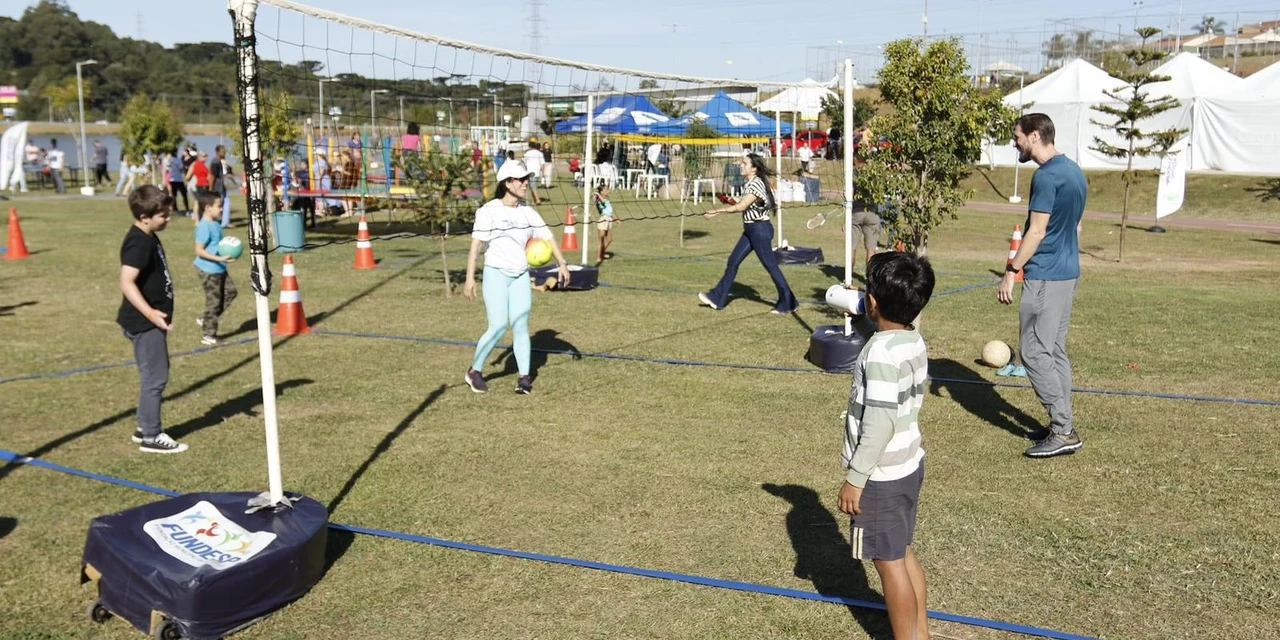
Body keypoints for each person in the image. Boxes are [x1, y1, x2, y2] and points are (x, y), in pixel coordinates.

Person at [836, 251, 935, 640]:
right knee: (902, 552)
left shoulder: (878, 352)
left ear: (873, 302)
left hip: (880, 476)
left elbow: (879, 421)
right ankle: (920, 633)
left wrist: (855, 478)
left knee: (888, 563)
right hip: (908, 464)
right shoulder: (910, 338)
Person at [999, 113, 1088, 459]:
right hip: (1068, 273)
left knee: (1034, 351)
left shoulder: (1047, 176)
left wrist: (1012, 270)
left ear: (1035, 136)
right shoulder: (1074, 171)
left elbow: (1036, 231)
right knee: (1053, 350)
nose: (1015, 143)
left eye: (1018, 137)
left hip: (1047, 275)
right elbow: (1076, 226)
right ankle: (1061, 425)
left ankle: (1063, 430)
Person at [462, 161, 569, 396]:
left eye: (527, 178)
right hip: (496, 274)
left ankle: (524, 377)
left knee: (521, 325)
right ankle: (474, 371)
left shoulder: (528, 212)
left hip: (520, 275)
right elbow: (476, 246)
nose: (526, 183)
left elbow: (548, 237)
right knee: (499, 325)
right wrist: (470, 279)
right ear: (507, 183)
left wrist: (562, 264)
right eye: (521, 179)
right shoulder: (488, 211)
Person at [117, 185, 187, 454]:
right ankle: (151, 436)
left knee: (154, 374)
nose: (168, 219)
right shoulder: (138, 242)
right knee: (156, 377)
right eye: (163, 216)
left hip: (151, 320)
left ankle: (143, 426)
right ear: (144, 217)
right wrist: (150, 313)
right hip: (145, 323)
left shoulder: (148, 235)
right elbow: (126, 282)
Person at [697, 153, 799, 315]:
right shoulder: (751, 183)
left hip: (759, 230)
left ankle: (789, 301)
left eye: (744, 163)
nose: (741, 165)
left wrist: (717, 211)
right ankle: (717, 298)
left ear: (754, 168)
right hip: (751, 230)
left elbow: (742, 207)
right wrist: (730, 200)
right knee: (733, 261)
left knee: (770, 266)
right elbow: (744, 203)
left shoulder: (756, 184)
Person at [191, 192, 238, 346]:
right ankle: (209, 335)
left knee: (231, 292)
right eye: (219, 206)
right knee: (214, 301)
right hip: (209, 269)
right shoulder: (204, 227)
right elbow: (199, 251)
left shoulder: (216, 224)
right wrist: (219, 259)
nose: (222, 209)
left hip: (219, 267)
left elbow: (219, 244)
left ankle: (206, 318)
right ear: (208, 208)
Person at [594, 184, 618, 264]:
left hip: (609, 220)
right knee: (601, 241)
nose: (608, 191)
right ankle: (598, 257)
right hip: (603, 221)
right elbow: (602, 201)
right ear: (602, 192)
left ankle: (601, 253)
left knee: (609, 240)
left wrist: (616, 220)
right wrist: (597, 194)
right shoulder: (600, 200)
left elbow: (609, 212)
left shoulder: (606, 200)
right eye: (606, 190)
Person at [167, 148, 190, 215]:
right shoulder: (178, 160)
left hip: (172, 179)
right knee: (184, 194)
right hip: (179, 179)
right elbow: (181, 169)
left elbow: (167, 169)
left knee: (174, 195)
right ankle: (187, 208)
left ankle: (175, 209)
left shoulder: (169, 160)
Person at [522, 141, 544, 205]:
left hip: (530, 172)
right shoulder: (540, 153)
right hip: (538, 172)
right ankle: (534, 201)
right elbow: (542, 164)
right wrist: (543, 173)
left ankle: (537, 200)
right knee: (533, 186)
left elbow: (523, 162)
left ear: (529, 146)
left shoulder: (527, 153)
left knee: (533, 187)